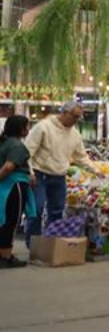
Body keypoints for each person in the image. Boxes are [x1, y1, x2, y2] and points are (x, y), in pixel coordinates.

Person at [25, 102, 96, 246]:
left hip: (59, 176)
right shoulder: (43, 127)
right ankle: (33, 245)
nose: (76, 120)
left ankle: (52, 245)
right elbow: (27, 151)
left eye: (79, 117)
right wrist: (30, 171)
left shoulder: (75, 134)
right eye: (74, 116)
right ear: (64, 113)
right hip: (39, 175)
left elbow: (81, 156)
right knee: (36, 210)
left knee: (57, 211)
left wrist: (95, 170)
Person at [0, 116, 35, 268]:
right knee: (12, 221)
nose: (28, 130)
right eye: (27, 126)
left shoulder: (5, 142)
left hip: (5, 187)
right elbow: (8, 167)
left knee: (4, 219)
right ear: (21, 129)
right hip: (14, 185)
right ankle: (6, 256)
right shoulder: (17, 145)